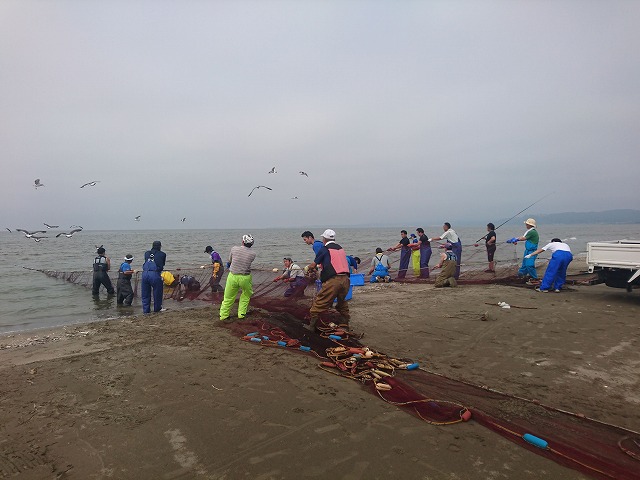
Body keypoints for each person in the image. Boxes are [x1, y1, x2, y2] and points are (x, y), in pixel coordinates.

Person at [304, 229, 350, 331]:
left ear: (324, 239)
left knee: (318, 304)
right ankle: (345, 326)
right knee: (342, 303)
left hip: (334, 281)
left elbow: (314, 264)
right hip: (346, 279)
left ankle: (311, 327)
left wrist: (307, 268)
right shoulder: (341, 249)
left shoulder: (324, 249)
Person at [219, 234, 256, 322]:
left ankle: (224, 316)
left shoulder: (234, 249)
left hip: (233, 276)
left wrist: (229, 264)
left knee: (228, 297)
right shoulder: (253, 254)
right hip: (245, 277)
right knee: (246, 295)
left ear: (243, 242)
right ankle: (241, 314)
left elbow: (230, 260)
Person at [141, 240, 166, 314]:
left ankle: (146, 311)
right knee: (157, 293)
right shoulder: (162, 254)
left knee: (145, 294)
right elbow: (162, 265)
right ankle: (157, 309)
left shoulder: (146, 253)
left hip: (145, 274)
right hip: (154, 274)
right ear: (160, 246)